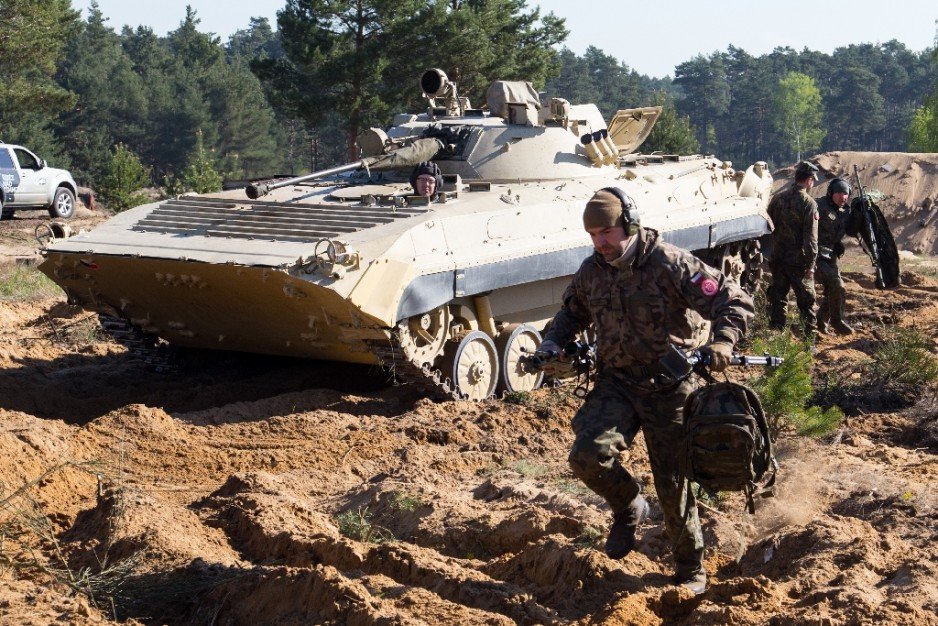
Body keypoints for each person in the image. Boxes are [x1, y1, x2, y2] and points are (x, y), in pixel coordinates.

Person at [538, 188, 754, 596]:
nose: (601, 242)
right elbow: (571, 313)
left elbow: (734, 300)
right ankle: (628, 504)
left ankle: (690, 568)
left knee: (674, 482)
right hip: (617, 381)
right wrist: (554, 342)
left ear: (629, 224)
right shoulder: (592, 271)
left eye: (606, 232)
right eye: (593, 235)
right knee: (587, 457)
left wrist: (723, 342)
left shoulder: (669, 262)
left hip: (669, 385)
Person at [766, 160, 819, 339]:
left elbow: (767, 226)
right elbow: (811, 238)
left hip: (777, 257)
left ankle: (775, 337)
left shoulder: (778, 198)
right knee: (806, 301)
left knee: (778, 298)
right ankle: (808, 341)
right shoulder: (808, 203)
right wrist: (811, 264)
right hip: (798, 261)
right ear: (809, 180)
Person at [815, 178, 861, 335]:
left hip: (830, 257)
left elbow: (853, 229)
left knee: (835, 290)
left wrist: (861, 209)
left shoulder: (845, 212)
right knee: (837, 285)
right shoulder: (818, 206)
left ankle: (821, 319)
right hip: (814, 256)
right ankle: (837, 320)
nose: (843, 197)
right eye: (839, 193)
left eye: (846, 194)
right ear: (831, 194)